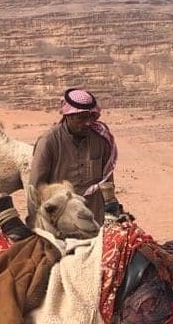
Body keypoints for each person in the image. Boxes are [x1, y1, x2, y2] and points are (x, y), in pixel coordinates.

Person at [29, 88, 120, 226]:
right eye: (81, 118)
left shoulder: (101, 141)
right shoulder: (49, 142)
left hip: (94, 219)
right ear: (68, 116)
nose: (88, 122)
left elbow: (107, 182)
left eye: (91, 117)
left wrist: (112, 212)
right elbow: (35, 187)